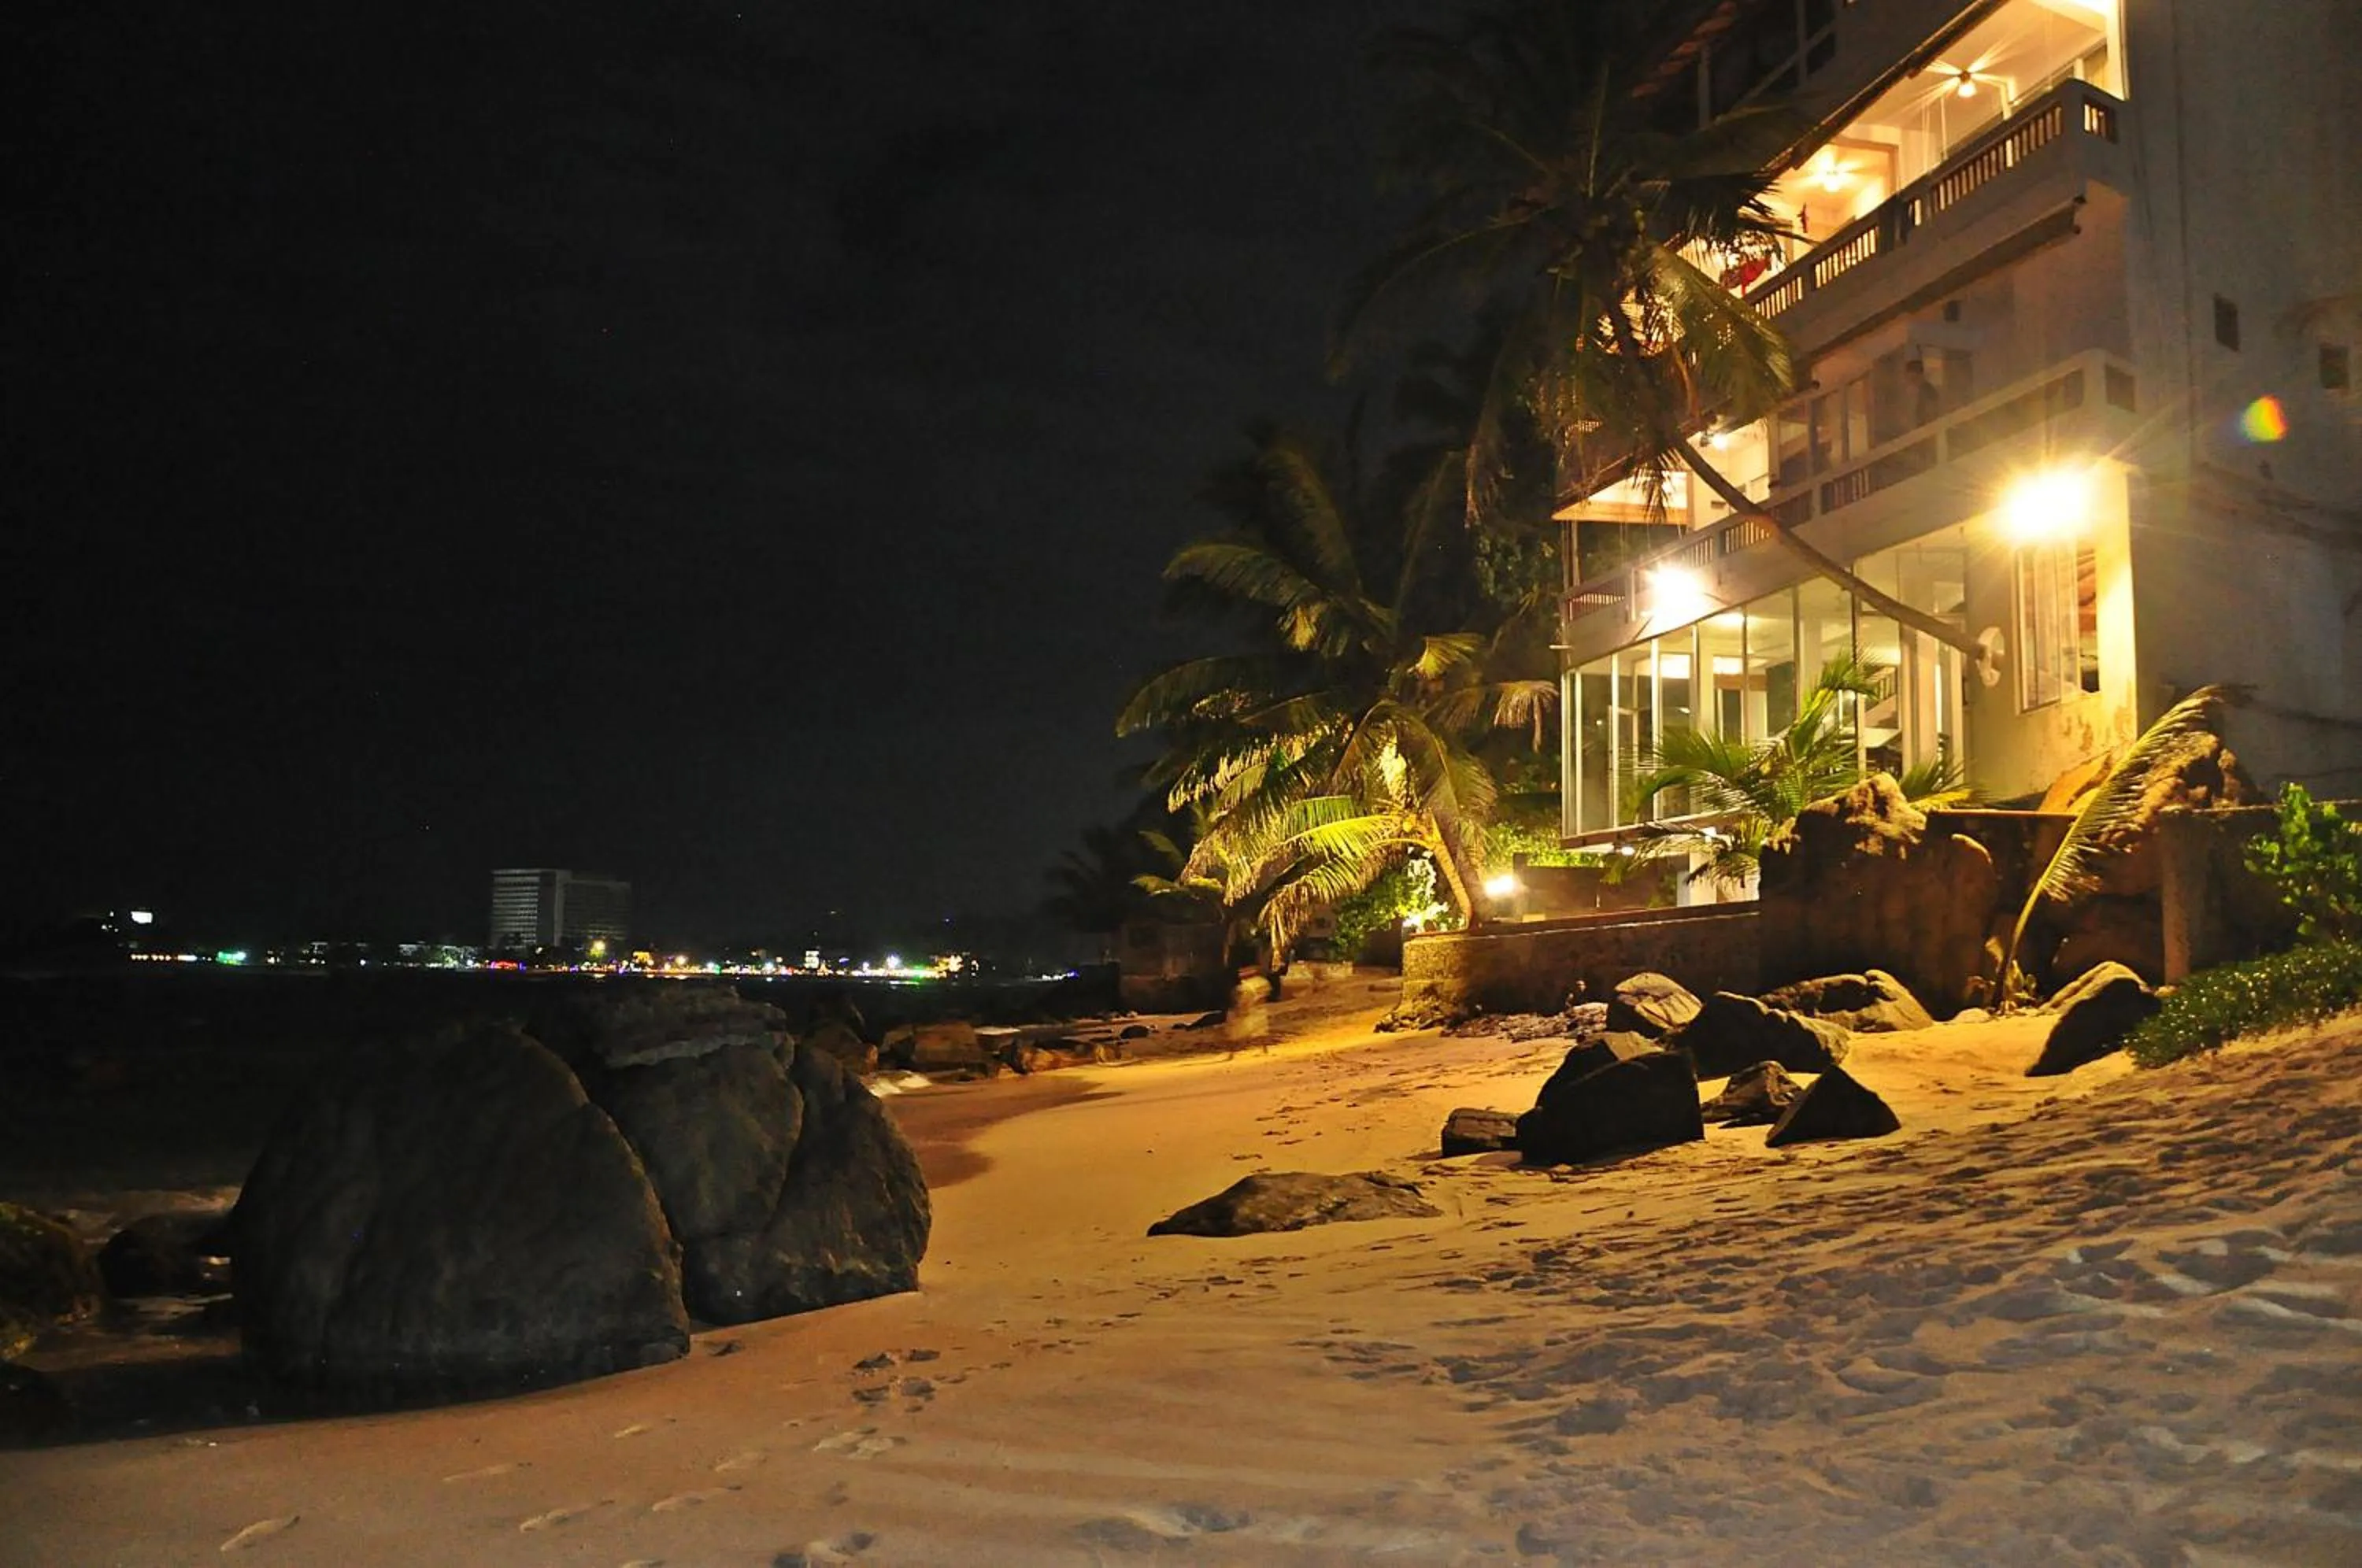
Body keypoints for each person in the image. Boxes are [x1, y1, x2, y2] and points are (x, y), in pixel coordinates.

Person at [1905, 358, 1941, 428]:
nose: (1912, 383)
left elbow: (1931, 413)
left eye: (1914, 379)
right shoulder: (1917, 393)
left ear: (1920, 375)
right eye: (1911, 380)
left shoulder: (1927, 390)